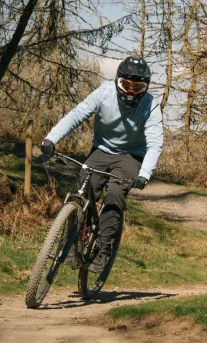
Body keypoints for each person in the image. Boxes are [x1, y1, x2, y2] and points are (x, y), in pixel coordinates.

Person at [40, 56, 163, 272]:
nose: (131, 92)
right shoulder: (104, 92)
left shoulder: (151, 105)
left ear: (146, 87)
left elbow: (154, 143)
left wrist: (144, 173)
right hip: (101, 150)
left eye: (138, 87)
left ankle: (104, 249)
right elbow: (77, 114)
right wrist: (51, 138)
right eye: (126, 85)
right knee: (83, 192)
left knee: (115, 194)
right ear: (117, 82)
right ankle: (69, 244)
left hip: (131, 156)